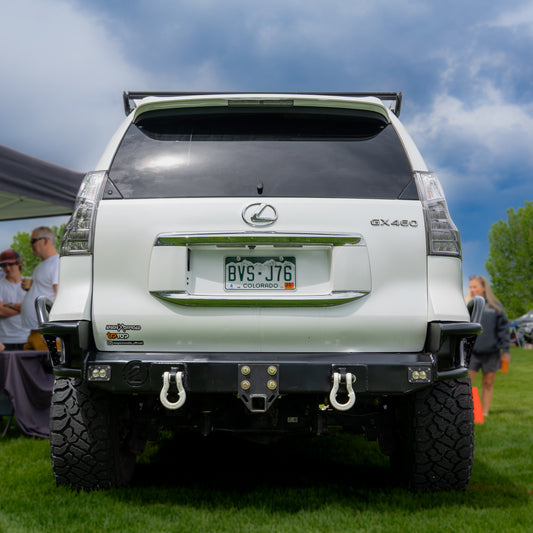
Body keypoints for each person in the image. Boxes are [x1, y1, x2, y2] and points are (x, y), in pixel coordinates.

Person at [466, 275, 511, 417]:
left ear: (483, 287)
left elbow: (503, 330)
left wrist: (506, 351)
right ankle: (469, 412)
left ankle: (484, 413)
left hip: (492, 353)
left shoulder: (495, 307)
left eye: (475, 287)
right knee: (466, 383)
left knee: (488, 383)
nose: (472, 289)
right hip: (472, 353)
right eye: (470, 287)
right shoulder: (467, 307)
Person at [20, 227, 59, 351]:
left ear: (45, 241)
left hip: (47, 332)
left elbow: (60, 296)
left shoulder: (57, 263)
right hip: (35, 331)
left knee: (47, 363)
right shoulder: (41, 265)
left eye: (33, 241)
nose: (30, 245)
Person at [0, 249, 30, 350]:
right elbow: (0, 311)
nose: (7, 268)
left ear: (19, 263)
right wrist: (24, 309)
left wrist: (10, 305)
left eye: (10, 264)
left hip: (28, 338)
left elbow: (34, 309)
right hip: (5, 340)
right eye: (3, 265)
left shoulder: (29, 283)